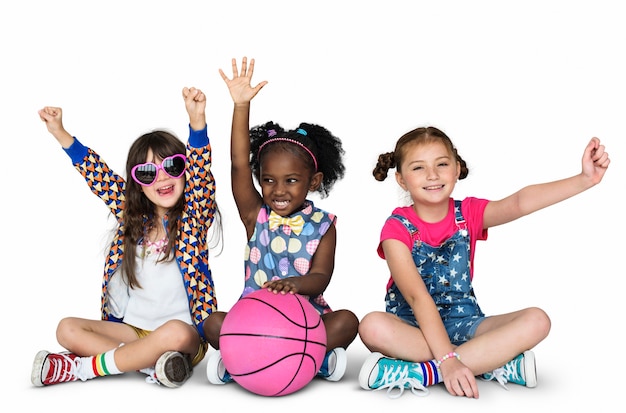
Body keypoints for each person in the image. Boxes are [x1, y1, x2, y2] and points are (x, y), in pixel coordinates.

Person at [357, 126, 610, 398]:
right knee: (371, 326)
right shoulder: (396, 228)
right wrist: (447, 359)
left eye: (442, 164)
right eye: (418, 168)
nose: (432, 175)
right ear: (401, 179)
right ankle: (486, 363)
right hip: (412, 327)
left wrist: (584, 180)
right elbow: (417, 297)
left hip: (465, 323)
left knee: (538, 320)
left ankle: (421, 373)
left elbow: (519, 203)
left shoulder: (468, 213)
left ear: (456, 169)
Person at [31, 86, 221, 388]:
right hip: (133, 330)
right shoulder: (132, 216)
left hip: (184, 334)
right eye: (147, 173)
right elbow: (100, 176)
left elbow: (202, 176)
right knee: (66, 329)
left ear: (184, 171)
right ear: (137, 184)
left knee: (175, 332)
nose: (161, 177)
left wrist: (197, 124)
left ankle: (82, 368)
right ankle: (153, 366)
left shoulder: (193, 218)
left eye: (172, 166)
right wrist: (60, 132)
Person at [204, 57, 360, 386]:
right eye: (269, 179)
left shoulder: (323, 225)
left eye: (291, 180)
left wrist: (295, 285)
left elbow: (320, 277)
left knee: (347, 321)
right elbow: (237, 165)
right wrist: (241, 105)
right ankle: (292, 358)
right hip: (255, 316)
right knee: (213, 323)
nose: (278, 189)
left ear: (314, 181)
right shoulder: (255, 215)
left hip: (305, 318)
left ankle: (281, 356)